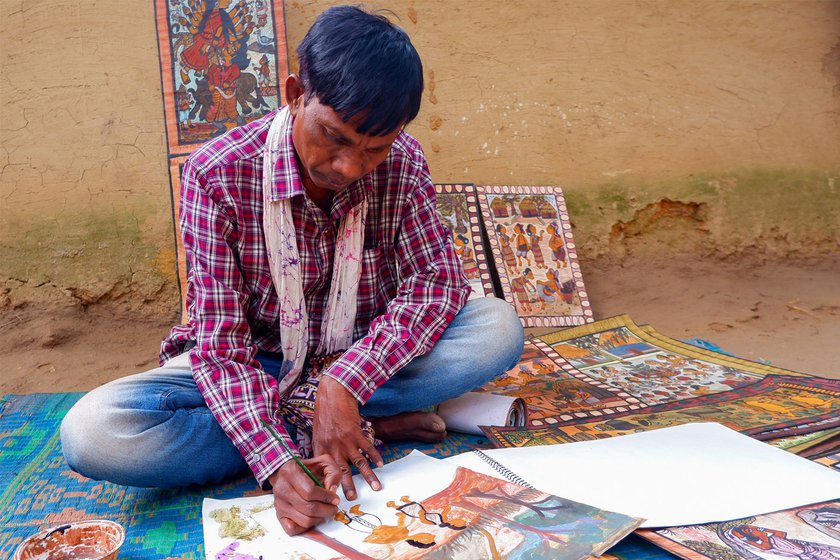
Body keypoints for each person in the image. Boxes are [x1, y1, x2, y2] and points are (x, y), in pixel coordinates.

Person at [60, 6, 523, 537]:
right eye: (334, 136)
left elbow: (436, 283)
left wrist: (343, 382)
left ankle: (337, 418)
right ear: (294, 93)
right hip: (254, 363)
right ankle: (355, 430)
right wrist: (279, 464)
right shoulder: (215, 174)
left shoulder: (404, 163)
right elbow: (222, 350)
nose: (349, 167)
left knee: (495, 327)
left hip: (360, 358)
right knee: (95, 433)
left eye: (375, 147)